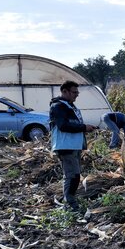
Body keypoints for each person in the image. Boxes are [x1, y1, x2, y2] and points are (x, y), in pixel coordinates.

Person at [49, 80, 97, 212]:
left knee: (74, 175)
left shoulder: (70, 106)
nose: (77, 95)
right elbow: (63, 126)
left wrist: (85, 128)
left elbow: (72, 123)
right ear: (64, 91)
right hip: (65, 146)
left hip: (73, 146)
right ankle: (70, 204)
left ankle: (69, 201)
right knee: (72, 176)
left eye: (77, 92)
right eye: (74, 92)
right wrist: (84, 127)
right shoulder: (58, 106)